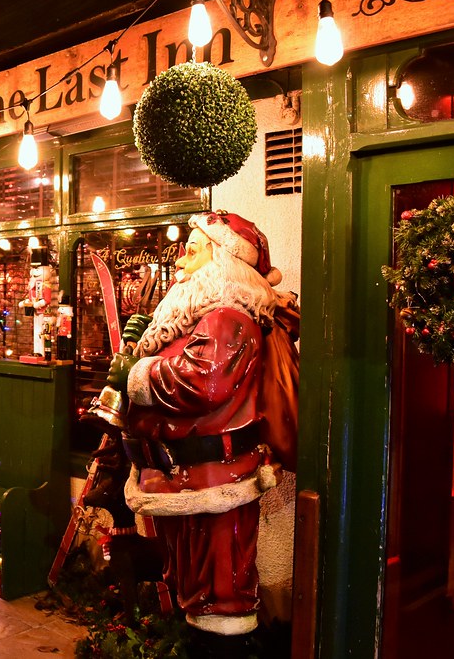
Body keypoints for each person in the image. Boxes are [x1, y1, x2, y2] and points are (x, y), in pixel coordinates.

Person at [105, 211, 299, 636]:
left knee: (219, 594)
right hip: (187, 480)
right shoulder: (202, 315)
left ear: (222, 261)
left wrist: (138, 373)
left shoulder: (228, 318)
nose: (179, 263)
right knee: (195, 586)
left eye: (191, 253)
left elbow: (202, 382)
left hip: (215, 482)